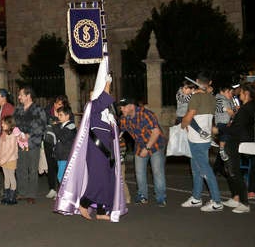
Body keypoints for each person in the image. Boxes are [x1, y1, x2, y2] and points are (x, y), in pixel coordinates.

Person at [56, 73, 126, 221]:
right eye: (93, 93)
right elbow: (104, 99)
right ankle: (84, 202)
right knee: (98, 178)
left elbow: (113, 133)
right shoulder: (91, 107)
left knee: (107, 179)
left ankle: (101, 211)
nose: (95, 94)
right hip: (96, 149)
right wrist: (107, 83)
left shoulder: (107, 113)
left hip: (108, 151)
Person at [180, 74, 223, 212]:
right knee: (196, 170)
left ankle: (217, 202)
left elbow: (190, 115)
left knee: (205, 170)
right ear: (208, 82)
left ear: (197, 82)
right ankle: (196, 198)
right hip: (204, 139)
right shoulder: (211, 97)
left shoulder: (196, 97)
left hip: (197, 140)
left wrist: (183, 123)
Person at [118, 96, 167, 207]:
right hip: (140, 146)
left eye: (123, 107)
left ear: (131, 106)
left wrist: (147, 148)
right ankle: (142, 196)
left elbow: (156, 132)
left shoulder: (146, 114)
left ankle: (160, 197)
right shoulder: (124, 119)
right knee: (139, 172)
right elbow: (120, 133)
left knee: (157, 172)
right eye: (120, 107)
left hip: (155, 146)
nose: (121, 109)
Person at [221, 82, 255, 213]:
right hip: (237, 142)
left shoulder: (246, 108)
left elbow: (237, 128)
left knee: (234, 172)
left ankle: (244, 203)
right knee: (229, 170)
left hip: (236, 143)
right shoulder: (249, 107)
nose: (238, 94)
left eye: (240, 92)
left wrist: (219, 129)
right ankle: (236, 198)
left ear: (246, 94)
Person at [12, 87, 48, 204]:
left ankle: (31, 194)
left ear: (28, 96)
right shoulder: (18, 109)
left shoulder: (38, 110)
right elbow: (13, 123)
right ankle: (22, 192)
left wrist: (29, 135)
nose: (19, 97)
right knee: (20, 168)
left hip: (33, 143)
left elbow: (42, 125)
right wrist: (16, 133)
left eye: (21, 95)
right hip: (19, 143)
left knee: (32, 169)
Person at [43, 104, 76, 199]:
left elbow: (63, 137)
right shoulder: (62, 125)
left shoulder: (71, 126)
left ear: (67, 116)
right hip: (60, 155)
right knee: (61, 175)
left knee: (62, 176)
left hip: (66, 155)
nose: (58, 117)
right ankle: (63, 193)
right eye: (58, 114)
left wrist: (55, 126)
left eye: (61, 115)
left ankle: (65, 194)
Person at [0, 116, 19, 205]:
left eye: (3, 123)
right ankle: (6, 195)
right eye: (2, 123)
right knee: (6, 177)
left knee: (11, 177)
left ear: (9, 124)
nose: (2, 125)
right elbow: (0, 147)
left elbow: (11, 150)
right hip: (3, 160)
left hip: (11, 160)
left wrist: (3, 160)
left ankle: (12, 197)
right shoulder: (3, 134)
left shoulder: (13, 135)